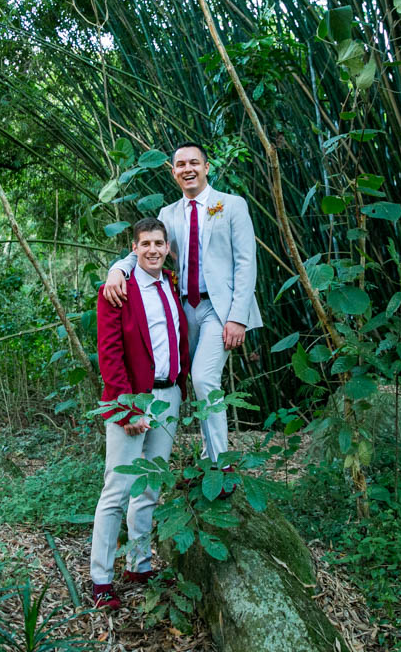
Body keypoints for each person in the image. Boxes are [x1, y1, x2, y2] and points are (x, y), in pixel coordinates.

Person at [102, 142, 261, 465]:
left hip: (220, 308)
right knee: (188, 378)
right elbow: (148, 251)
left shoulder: (231, 205)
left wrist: (238, 317)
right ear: (173, 172)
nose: (187, 169)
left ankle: (221, 462)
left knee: (204, 378)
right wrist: (117, 269)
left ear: (206, 167)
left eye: (194, 163)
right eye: (180, 165)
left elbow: (247, 262)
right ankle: (207, 451)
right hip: (183, 308)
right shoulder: (168, 214)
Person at [90, 217, 190, 610]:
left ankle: (139, 563)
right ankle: (101, 579)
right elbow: (110, 355)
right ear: (134, 248)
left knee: (150, 487)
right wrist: (127, 407)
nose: (152, 249)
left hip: (169, 397)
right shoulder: (118, 290)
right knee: (116, 490)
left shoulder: (171, 284)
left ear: (167, 248)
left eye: (159, 243)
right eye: (145, 243)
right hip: (134, 400)